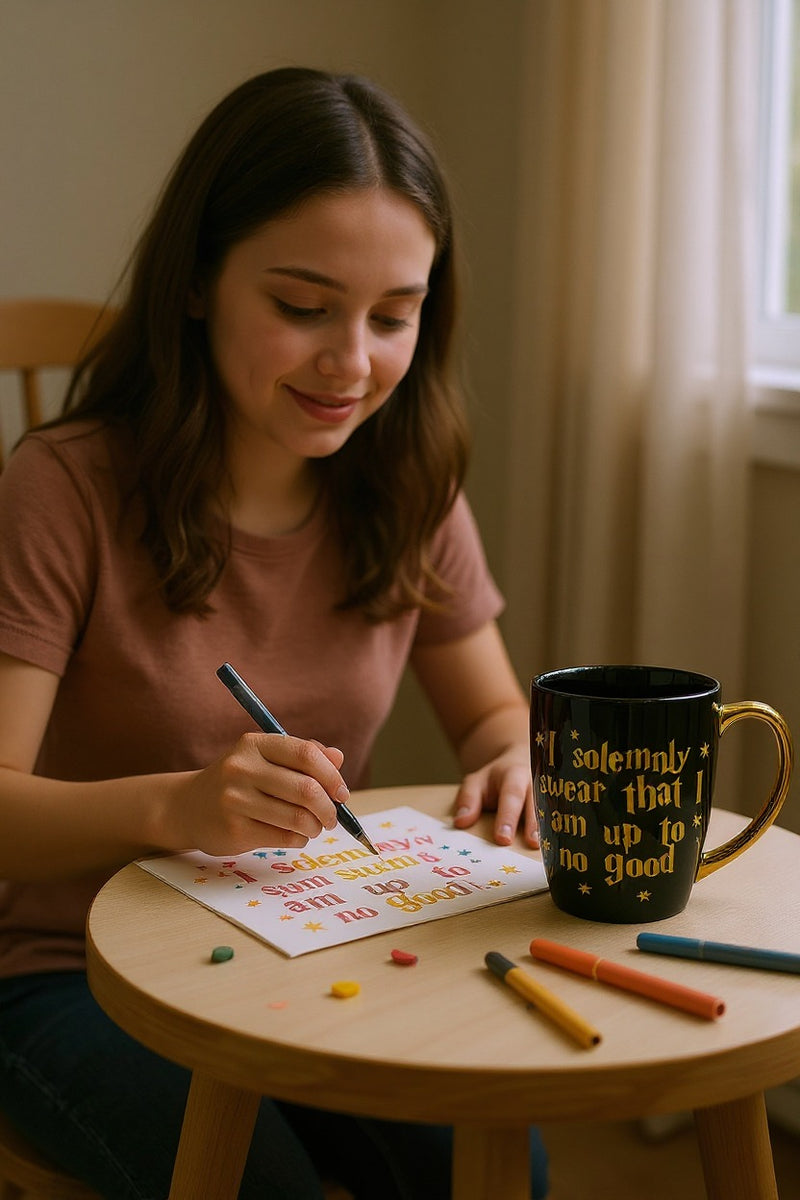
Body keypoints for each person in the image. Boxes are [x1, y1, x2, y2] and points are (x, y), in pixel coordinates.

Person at [0, 67, 548, 1200]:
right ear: (198, 280)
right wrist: (177, 805)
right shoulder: (62, 489)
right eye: (302, 307)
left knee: (504, 1166)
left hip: (298, 943)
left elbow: (490, 710)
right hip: (60, 969)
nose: (352, 364)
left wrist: (509, 757)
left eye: (392, 317)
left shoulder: (405, 485)